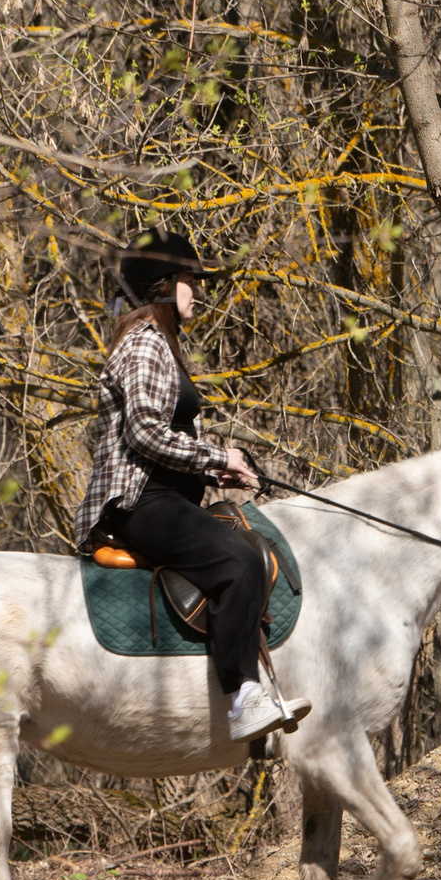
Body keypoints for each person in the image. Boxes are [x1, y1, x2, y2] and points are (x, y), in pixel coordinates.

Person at [77, 229, 308, 743]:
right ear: (161, 285)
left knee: (247, 546)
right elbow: (143, 431)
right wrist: (215, 455)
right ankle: (243, 697)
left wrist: (212, 471)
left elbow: (167, 438)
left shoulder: (164, 346)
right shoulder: (142, 345)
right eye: (189, 281)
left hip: (166, 493)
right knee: (239, 561)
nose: (197, 291)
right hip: (139, 502)